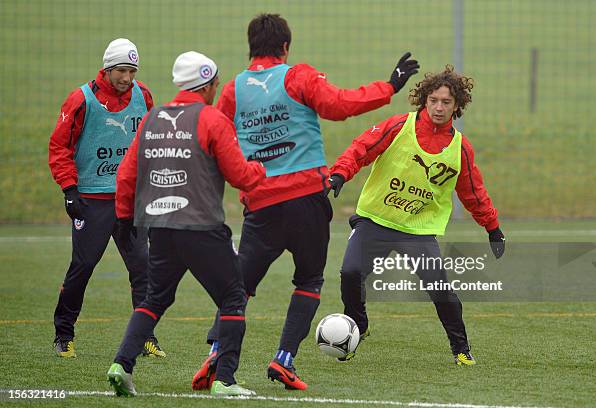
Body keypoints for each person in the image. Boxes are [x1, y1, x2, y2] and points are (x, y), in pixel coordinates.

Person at [193, 13, 419, 391]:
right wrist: (390, 85)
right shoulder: (298, 76)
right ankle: (284, 359)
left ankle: (217, 351)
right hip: (306, 202)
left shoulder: (233, 90)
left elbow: (215, 140)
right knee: (310, 280)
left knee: (239, 289)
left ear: (251, 48)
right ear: (285, 47)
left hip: (261, 204)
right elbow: (341, 105)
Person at [106, 51, 266, 397]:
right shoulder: (211, 119)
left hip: (159, 227)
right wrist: (259, 169)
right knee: (233, 298)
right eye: (216, 84)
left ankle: (121, 364)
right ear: (206, 85)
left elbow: (127, 174)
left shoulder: (152, 119)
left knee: (154, 298)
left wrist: (122, 216)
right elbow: (240, 175)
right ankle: (225, 380)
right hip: (201, 227)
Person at [325, 65, 505, 365]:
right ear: (424, 100)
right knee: (350, 273)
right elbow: (361, 148)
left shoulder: (460, 148)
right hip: (376, 220)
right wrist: (340, 174)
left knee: (440, 288)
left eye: (446, 102)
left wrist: (493, 228)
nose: (438, 107)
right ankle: (358, 325)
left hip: (417, 230)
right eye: (433, 100)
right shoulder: (398, 127)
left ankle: (461, 348)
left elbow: (473, 193)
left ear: (457, 106)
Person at [48, 38, 165, 358]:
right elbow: (59, 148)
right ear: (107, 68)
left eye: (132, 70)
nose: (127, 78)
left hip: (131, 199)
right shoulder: (81, 99)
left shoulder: (143, 95)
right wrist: (69, 190)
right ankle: (63, 333)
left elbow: (149, 142)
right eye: (121, 71)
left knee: (143, 268)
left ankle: (145, 336)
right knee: (83, 266)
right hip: (92, 199)